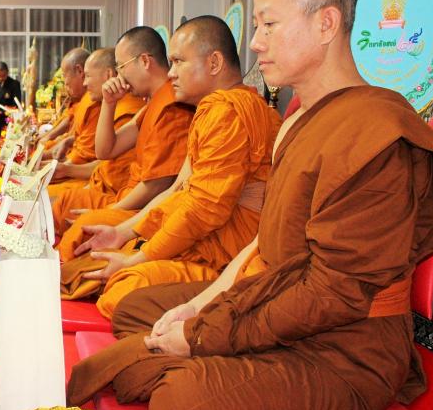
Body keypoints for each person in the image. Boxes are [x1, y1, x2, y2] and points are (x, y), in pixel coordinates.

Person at [67, 0, 433, 410]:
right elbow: (261, 245)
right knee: (135, 312)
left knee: (179, 407)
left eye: (269, 25)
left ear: (326, 23)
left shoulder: (378, 137)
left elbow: (331, 295)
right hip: (275, 296)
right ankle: (206, 360)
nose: (254, 43)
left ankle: (204, 366)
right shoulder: (295, 119)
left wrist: (209, 335)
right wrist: (203, 306)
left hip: (345, 348)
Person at [60, 16, 282, 315]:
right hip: (198, 239)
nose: (172, 73)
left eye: (178, 62)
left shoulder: (227, 112)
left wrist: (139, 256)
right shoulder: (212, 110)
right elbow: (181, 190)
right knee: (103, 249)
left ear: (214, 63)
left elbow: (204, 208)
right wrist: (127, 232)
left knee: (122, 292)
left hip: (225, 260)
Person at [56, 26, 194, 262]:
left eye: (121, 66)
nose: (119, 76)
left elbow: (156, 185)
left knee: (82, 226)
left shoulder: (173, 106)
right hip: (125, 200)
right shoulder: (151, 105)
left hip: (140, 208)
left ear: (144, 61)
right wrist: (109, 103)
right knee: (65, 206)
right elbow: (105, 150)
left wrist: (111, 211)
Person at [47, 48, 144, 205]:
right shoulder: (107, 106)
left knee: (52, 203)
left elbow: (111, 169)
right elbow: (102, 159)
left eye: (88, 76)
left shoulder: (127, 111)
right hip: (95, 183)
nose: (85, 83)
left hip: (112, 195)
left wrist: (66, 169)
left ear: (108, 75)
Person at [0, 61, 22, 140]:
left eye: (4, 76)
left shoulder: (14, 84)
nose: (1, 78)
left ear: (7, 73)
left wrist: (4, 111)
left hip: (4, 119)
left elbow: (16, 104)